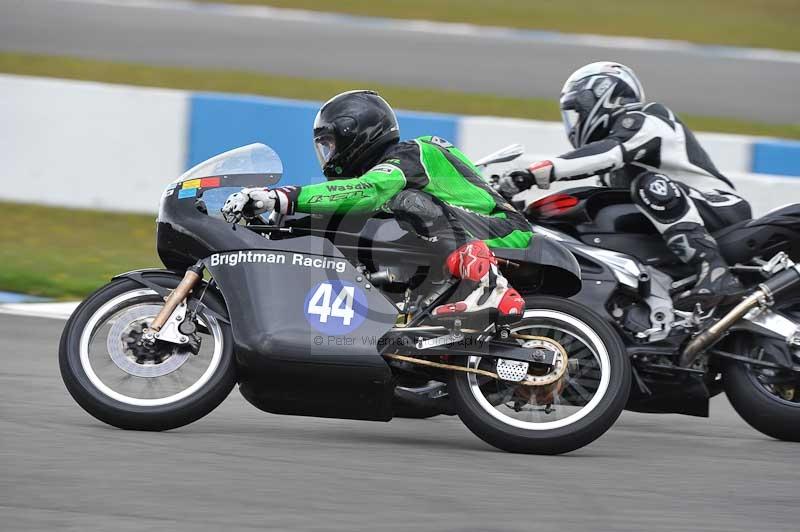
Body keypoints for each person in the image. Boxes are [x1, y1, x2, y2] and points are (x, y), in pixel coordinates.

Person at [222, 90, 529, 322]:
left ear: (355, 136)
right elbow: (343, 204)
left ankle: (490, 287)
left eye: (329, 145)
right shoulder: (394, 167)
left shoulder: (411, 154)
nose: (327, 155)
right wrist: (272, 228)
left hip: (500, 230)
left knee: (406, 201)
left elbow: (369, 191)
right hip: (466, 233)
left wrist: (281, 196)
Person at [498, 62, 751, 311]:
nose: (575, 122)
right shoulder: (613, 174)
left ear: (602, 96)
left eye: (578, 110)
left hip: (719, 206)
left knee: (649, 185)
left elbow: (607, 153)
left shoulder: (647, 118)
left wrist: (531, 175)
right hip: (679, 215)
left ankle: (716, 271)